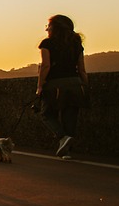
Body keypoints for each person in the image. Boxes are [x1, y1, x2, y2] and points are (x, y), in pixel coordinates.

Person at [37, 14, 88, 158]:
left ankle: (62, 137)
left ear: (54, 28)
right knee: (70, 117)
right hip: (75, 83)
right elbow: (82, 69)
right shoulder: (76, 44)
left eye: (48, 26)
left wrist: (40, 86)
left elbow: (45, 66)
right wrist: (85, 85)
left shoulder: (47, 44)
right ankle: (67, 151)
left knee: (47, 114)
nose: (47, 29)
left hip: (55, 84)